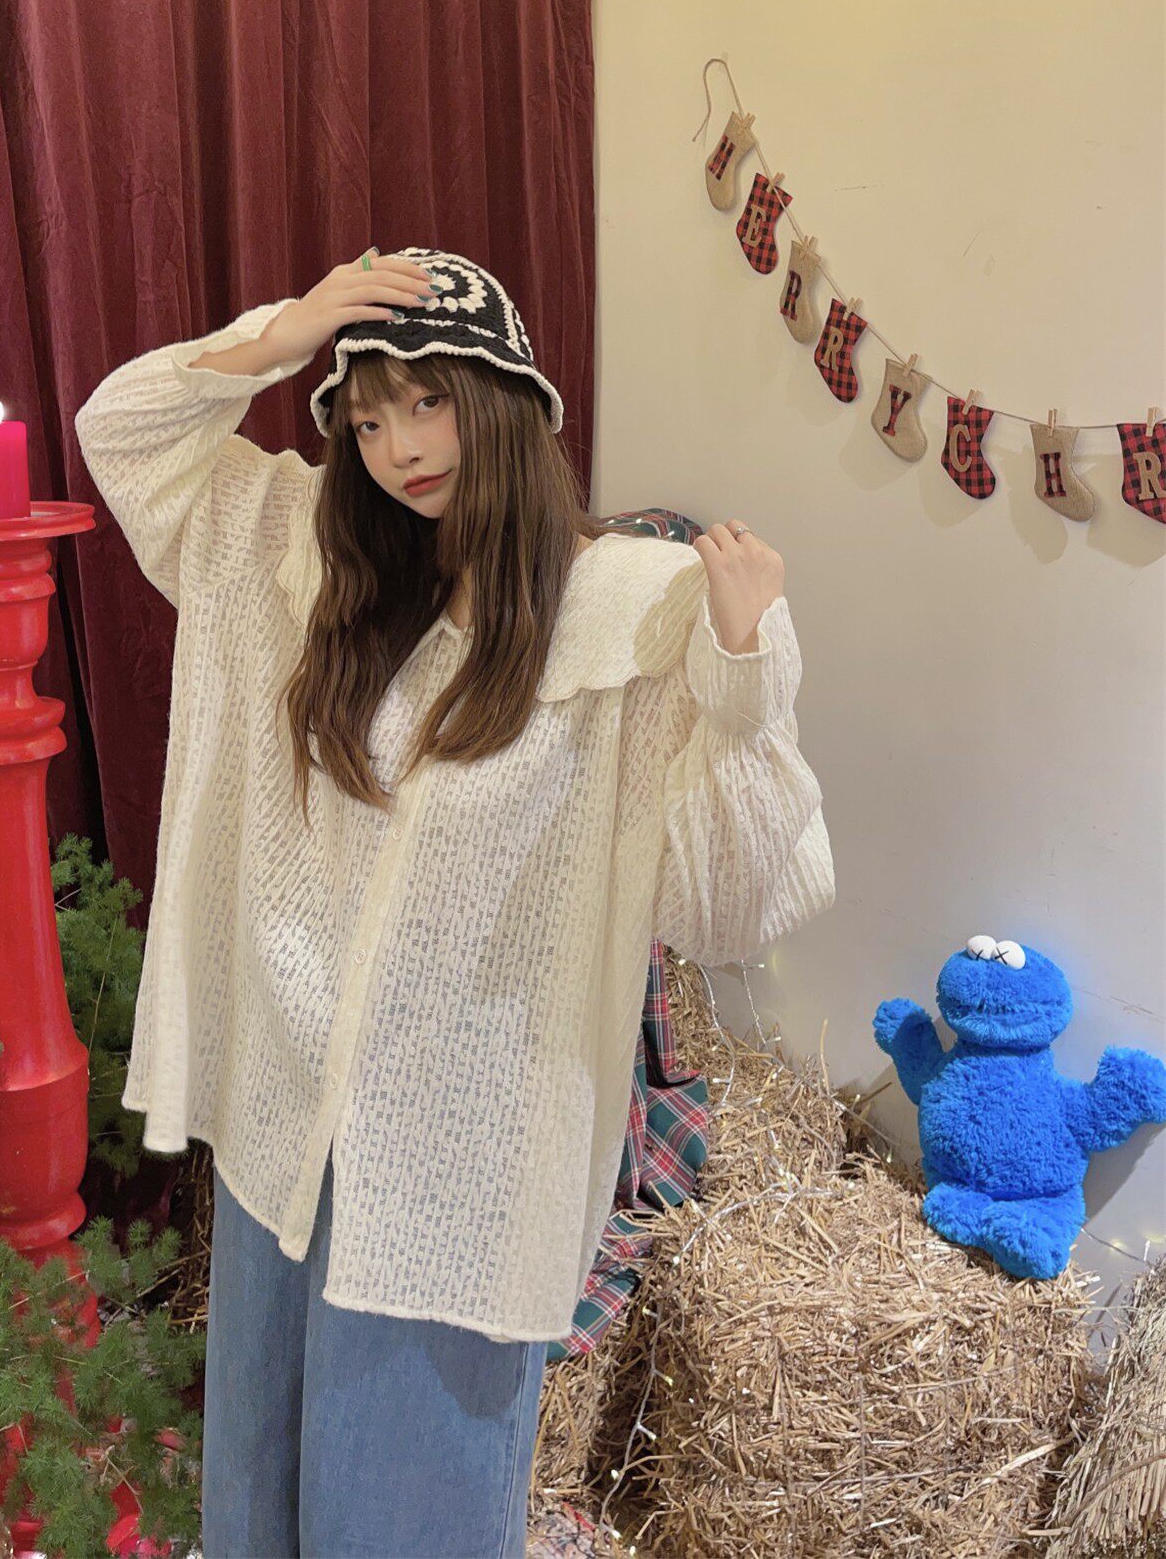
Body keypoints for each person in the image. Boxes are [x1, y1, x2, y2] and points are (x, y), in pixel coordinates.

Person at [73, 246, 836, 1558]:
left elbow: (738, 901)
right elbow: (124, 434)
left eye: (429, 402)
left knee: (406, 1516)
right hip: (283, 1131)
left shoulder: (633, 608)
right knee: (258, 1494)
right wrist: (285, 336)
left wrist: (744, 668)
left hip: (459, 1167)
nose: (400, 450)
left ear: (506, 401)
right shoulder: (314, 559)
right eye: (368, 418)